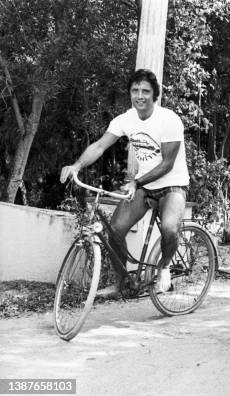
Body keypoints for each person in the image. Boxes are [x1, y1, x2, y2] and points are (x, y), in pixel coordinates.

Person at [60, 69, 189, 295]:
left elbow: (167, 164)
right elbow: (100, 146)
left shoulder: (168, 120)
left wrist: (136, 182)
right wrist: (77, 165)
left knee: (169, 228)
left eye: (145, 91)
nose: (140, 96)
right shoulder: (125, 119)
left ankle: (165, 268)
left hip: (172, 184)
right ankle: (124, 284)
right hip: (144, 186)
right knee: (115, 231)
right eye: (135, 90)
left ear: (155, 95)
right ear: (130, 93)